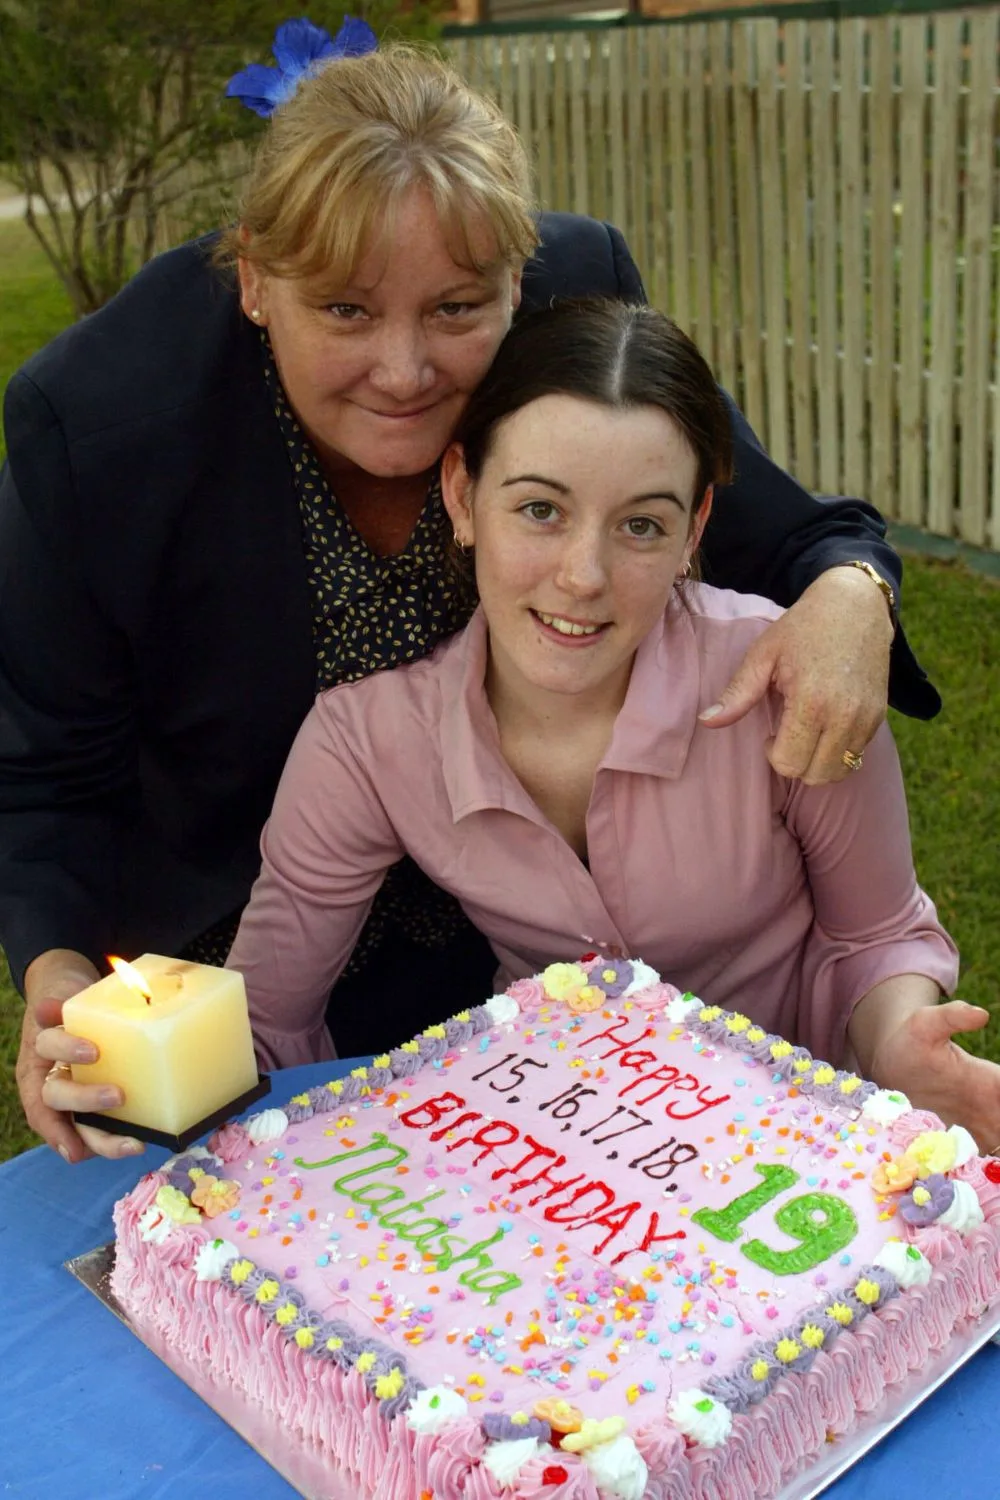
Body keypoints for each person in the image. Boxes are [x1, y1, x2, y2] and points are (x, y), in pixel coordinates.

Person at [6, 28, 938, 1165]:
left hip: (519, 952)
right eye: (345, 311)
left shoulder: (568, 304)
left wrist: (849, 594)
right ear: (253, 279)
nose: (404, 373)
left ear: (520, 281)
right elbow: (47, 766)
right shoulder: (105, 426)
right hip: (256, 894)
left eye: (456, 311)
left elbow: (755, 519)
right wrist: (61, 970)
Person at [220, 297, 998, 1149]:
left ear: (694, 528)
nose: (583, 575)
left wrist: (895, 1043)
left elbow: (875, 935)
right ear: (462, 495)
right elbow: (264, 1018)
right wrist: (154, 1066)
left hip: (805, 1169)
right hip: (559, 1179)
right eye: (540, 510)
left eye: (640, 525)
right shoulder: (367, 743)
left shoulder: (794, 682)